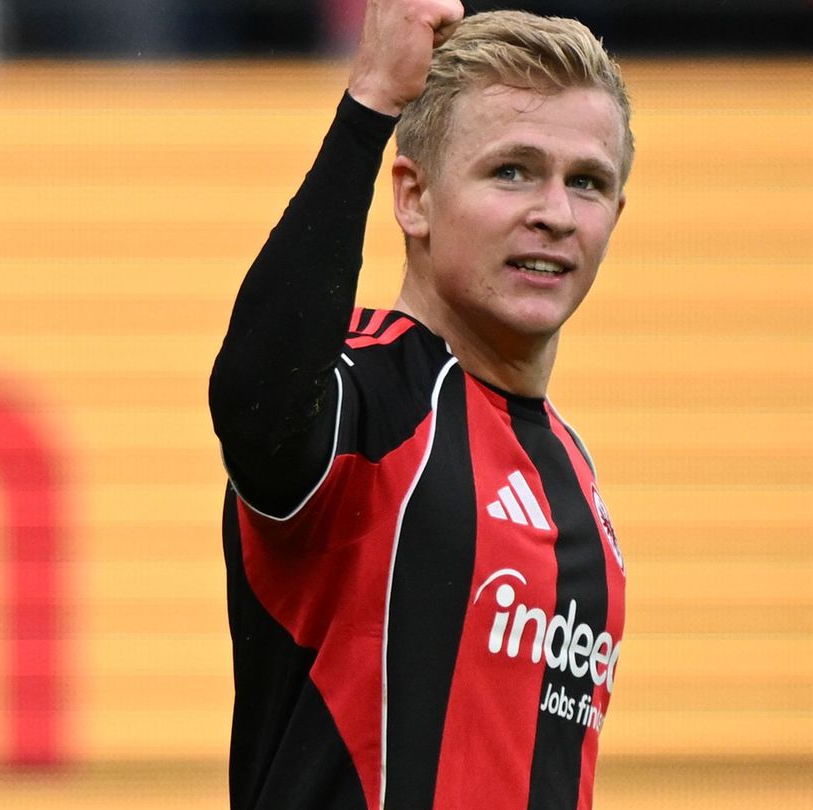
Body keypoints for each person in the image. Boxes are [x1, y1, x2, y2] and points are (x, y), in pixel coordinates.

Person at [208, 0, 633, 806]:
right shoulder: (367, 401)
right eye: (511, 170)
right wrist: (370, 102)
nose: (554, 213)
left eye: (588, 183)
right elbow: (255, 401)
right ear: (413, 198)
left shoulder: (575, 477)